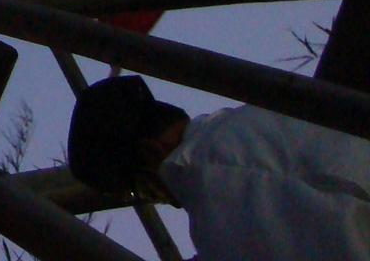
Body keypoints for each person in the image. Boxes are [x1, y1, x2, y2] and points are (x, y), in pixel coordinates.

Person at [67, 74, 370, 260]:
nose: (159, 201)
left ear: (149, 153)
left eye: (137, 190)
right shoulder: (252, 124)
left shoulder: (209, 179)